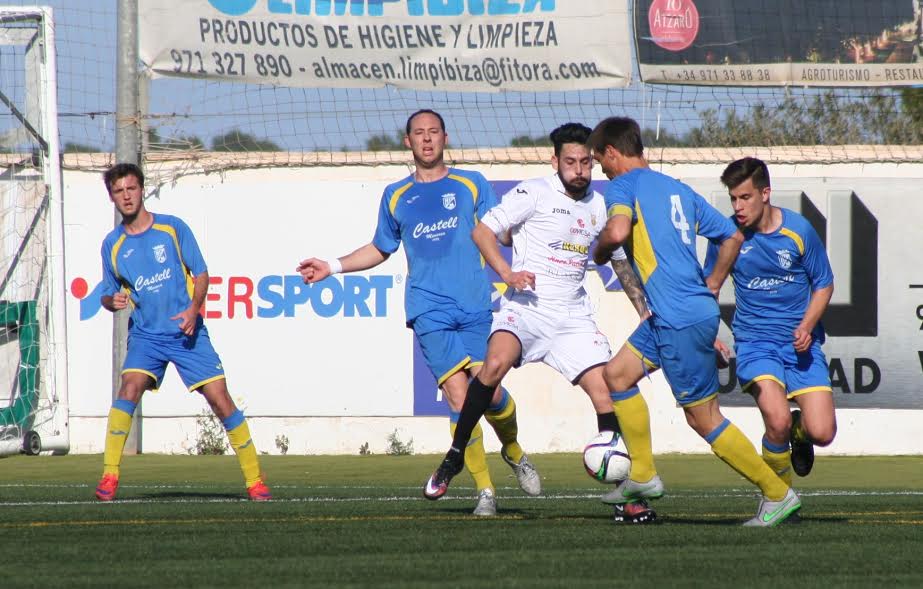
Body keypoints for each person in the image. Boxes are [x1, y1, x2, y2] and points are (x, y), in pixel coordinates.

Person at [297, 109, 539, 517]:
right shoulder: (395, 195)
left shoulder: (471, 184)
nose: (427, 140)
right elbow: (379, 247)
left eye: (433, 132)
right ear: (407, 142)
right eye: (418, 134)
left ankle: (513, 451)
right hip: (428, 309)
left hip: (475, 303)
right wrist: (332, 267)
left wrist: (517, 256)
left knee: (491, 393)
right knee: (460, 398)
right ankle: (485, 492)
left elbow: (499, 232)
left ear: (445, 137)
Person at [422, 123, 655, 523]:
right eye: (570, 162)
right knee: (492, 366)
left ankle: (626, 497)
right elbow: (483, 232)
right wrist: (508, 275)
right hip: (526, 308)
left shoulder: (601, 207)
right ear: (555, 161)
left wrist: (643, 310)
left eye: (586, 162)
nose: (579, 169)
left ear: (594, 163)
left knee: (606, 393)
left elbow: (619, 261)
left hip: (572, 318)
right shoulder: (533, 191)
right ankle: (455, 456)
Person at [589, 117, 801, 527]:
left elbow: (615, 232)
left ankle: (778, 494)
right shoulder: (677, 188)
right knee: (615, 376)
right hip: (681, 313)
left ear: (612, 153)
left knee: (703, 418)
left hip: (677, 319)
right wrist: (714, 283)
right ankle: (643, 475)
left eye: (601, 161)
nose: (602, 170)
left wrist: (598, 251)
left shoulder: (623, 186)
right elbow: (733, 237)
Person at [95, 163, 270, 502]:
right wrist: (110, 300)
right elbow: (106, 291)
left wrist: (194, 309)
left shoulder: (172, 228)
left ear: (142, 189)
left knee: (221, 400)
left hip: (186, 333)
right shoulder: (112, 245)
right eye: (119, 191)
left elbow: (201, 274)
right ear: (112, 197)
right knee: (128, 388)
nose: (126, 196)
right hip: (147, 337)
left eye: (131, 188)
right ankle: (109, 476)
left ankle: (255, 481)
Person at [707, 157, 836, 487]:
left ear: (765, 193)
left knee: (822, 432)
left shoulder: (798, 230)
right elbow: (710, 287)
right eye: (733, 198)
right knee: (775, 420)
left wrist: (807, 325)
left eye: (745, 197)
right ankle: (779, 496)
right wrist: (709, 333)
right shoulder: (727, 236)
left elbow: (823, 283)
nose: (737, 206)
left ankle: (800, 430)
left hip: (799, 345)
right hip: (755, 343)